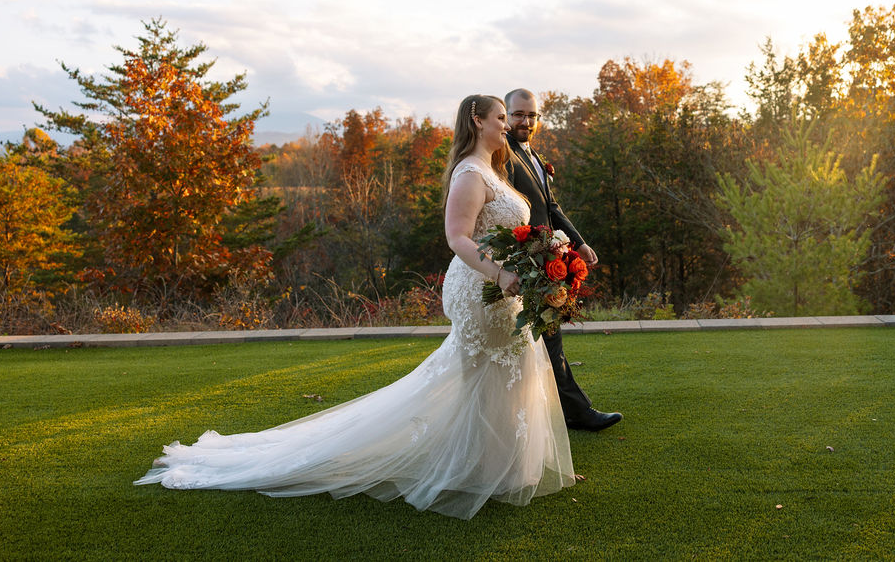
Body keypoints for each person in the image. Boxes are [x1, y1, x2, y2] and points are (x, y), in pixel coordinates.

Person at [134, 95, 575, 520]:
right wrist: (499, 273)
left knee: (504, 372)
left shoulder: (495, 171)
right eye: (499, 117)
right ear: (478, 122)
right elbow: (458, 237)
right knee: (488, 372)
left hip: (505, 289)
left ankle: (499, 465)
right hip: (482, 288)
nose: (506, 124)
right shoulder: (470, 174)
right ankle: (479, 468)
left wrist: (541, 257)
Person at [504, 88, 622, 432]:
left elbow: (550, 208)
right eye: (518, 114)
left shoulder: (535, 157)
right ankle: (577, 412)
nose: (526, 121)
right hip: (526, 261)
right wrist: (532, 254)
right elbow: (510, 215)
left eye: (532, 115)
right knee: (547, 334)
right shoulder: (503, 155)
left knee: (546, 335)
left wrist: (578, 243)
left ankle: (564, 409)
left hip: (546, 255)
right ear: (506, 115)